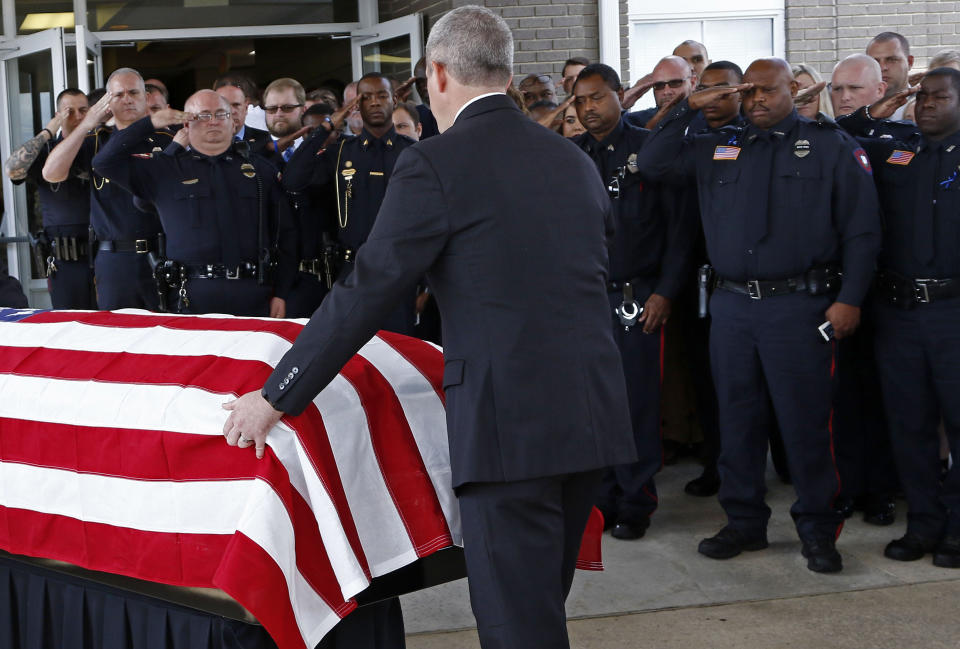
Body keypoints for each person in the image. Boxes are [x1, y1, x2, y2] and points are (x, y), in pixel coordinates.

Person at [220, 7, 635, 649]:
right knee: (539, 608)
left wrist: (277, 396)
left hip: (508, 429)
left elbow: (367, 290)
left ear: (437, 74)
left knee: (516, 624)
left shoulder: (435, 163)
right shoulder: (571, 159)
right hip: (591, 415)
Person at [633, 57, 881, 573]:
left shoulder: (830, 146)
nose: (757, 101)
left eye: (767, 91)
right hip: (732, 307)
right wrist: (687, 106)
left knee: (806, 424)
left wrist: (850, 298)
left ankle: (817, 529)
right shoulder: (717, 148)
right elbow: (652, 163)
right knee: (737, 421)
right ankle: (744, 523)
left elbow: (862, 230)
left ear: (795, 88)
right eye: (748, 94)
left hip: (801, 306)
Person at [835, 67, 960, 569]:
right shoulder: (896, 148)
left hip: (954, 312)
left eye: (940, 96)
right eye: (921, 96)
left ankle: (956, 527)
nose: (926, 104)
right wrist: (872, 112)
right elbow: (840, 139)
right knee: (908, 425)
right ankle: (924, 524)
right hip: (900, 313)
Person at [571, 63, 695, 540]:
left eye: (597, 98)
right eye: (580, 101)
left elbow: (679, 231)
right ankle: (600, 496)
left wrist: (664, 291)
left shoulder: (649, 151)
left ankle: (636, 500)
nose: (588, 109)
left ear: (620, 96)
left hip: (637, 296)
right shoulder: (573, 154)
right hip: (585, 301)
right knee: (591, 406)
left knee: (635, 404)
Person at [91, 90, 295, 318]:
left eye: (221, 114)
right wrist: (151, 123)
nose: (214, 121)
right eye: (203, 115)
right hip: (189, 297)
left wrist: (282, 293)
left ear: (233, 121)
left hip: (253, 293)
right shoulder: (164, 170)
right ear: (186, 124)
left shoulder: (261, 170)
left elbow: (286, 235)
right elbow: (104, 162)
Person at [282, 72, 419, 326]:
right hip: (350, 271)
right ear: (356, 106)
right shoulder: (341, 152)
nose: (375, 103)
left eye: (382, 96)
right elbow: (293, 180)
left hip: (399, 272)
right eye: (366, 98)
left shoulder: (413, 153)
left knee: (399, 354)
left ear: (395, 101)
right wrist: (328, 126)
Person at [42, 68, 172, 310]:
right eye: (119, 94)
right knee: (115, 336)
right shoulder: (96, 140)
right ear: (107, 102)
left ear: (145, 97)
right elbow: (51, 173)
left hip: (162, 255)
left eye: (133, 92)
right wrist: (86, 124)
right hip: (114, 259)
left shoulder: (168, 139)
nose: (127, 99)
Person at [4, 88, 95, 309]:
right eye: (69, 112)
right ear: (58, 114)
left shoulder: (98, 145)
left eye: (83, 110)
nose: (78, 117)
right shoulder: (47, 151)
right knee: (70, 326)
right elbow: (12, 169)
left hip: (104, 254)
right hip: (65, 261)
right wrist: (49, 130)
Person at [626, 56, 698, 129]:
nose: (666, 92)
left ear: (692, 83)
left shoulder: (707, 117)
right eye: (659, 85)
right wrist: (623, 103)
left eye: (675, 83)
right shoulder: (637, 122)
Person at [215, 78, 275, 158]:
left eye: (236, 105)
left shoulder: (263, 139)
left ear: (246, 107)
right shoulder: (203, 141)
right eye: (225, 105)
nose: (232, 111)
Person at [867, 32, 914, 120]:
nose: (882, 67)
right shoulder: (857, 109)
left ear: (909, 62)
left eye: (892, 60)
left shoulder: (923, 107)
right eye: (875, 62)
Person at [263, 77, 309, 163]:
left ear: (303, 109)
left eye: (287, 108)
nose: (279, 114)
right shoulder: (254, 151)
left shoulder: (316, 146)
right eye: (272, 109)